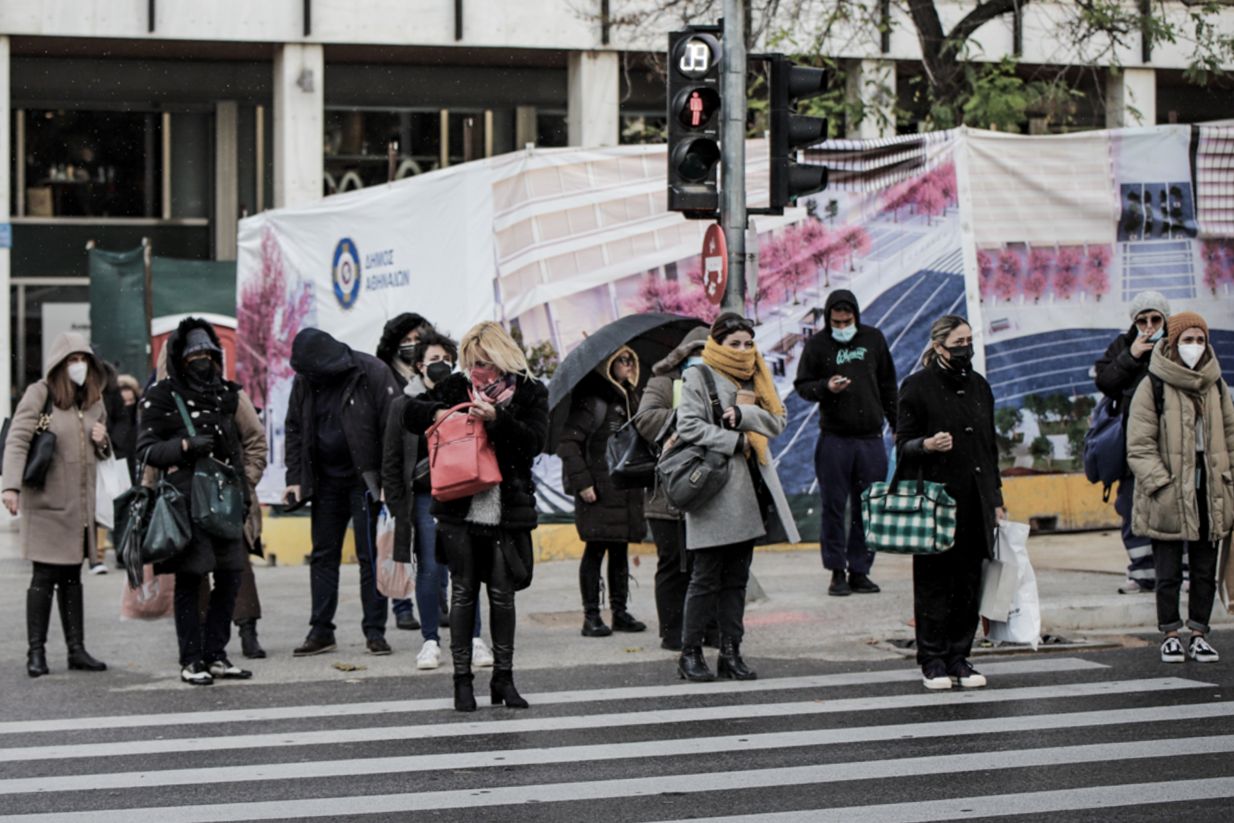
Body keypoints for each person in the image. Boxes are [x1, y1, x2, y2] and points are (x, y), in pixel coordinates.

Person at [403, 321, 548, 712]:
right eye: (472, 362)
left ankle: (504, 677)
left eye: (485, 362)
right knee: (463, 594)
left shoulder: (530, 391)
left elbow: (536, 443)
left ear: (503, 358)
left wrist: (498, 420)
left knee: (503, 596)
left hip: (506, 511)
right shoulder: (456, 387)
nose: (478, 370)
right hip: (459, 507)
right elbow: (409, 413)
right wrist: (444, 411)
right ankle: (462, 681)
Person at [675, 313, 798, 682]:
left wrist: (745, 413)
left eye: (748, 343)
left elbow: (778, 421)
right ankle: (690, 653)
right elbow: (688, 426)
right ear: (717, 343)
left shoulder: (756, 376)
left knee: (737, 579)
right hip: (713, 489)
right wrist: (736, 440)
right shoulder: (698, 375)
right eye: (735, 344)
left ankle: (731, 652)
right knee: (705, 577)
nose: (744, 350)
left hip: (749, 490)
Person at [136, 318, 254, 685]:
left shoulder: (227, 393)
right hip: (184, 502)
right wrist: (184, 447)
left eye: (207, 352)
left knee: (233, 574)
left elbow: (248, 442)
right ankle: (191, 659)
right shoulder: (161, 395)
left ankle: (217, 653)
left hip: (225, 499)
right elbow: (145, 449)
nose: (202, 359)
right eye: (194, 354)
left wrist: (246, 485)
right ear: (179, 357)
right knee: (190, 579)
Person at [896, 315, 1004, 691]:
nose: (965, 348)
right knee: (934, 581)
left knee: (969, 582)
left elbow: (990, 447)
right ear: (939, 346)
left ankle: (960, 655)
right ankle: (933, 659)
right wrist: (926, 445)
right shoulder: (917, 387)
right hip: (935, 501)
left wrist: (996, 499)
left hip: (975, 499)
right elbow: (902, 445)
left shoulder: (979, 386)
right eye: (958, 342)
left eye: (969, 340)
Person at [1126, 311, 1233, 665]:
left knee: (1205, 568)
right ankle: (1170, 633)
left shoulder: (1215, 384)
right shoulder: (1153, 384)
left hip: (1210, 486)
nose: (1194, 346)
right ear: (1172, 343)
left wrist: (1228, 479)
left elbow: (1231, 437)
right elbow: (1139, 445)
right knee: (1168, 570)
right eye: (1187, 340)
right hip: (1168, 489)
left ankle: (1199, 632)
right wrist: (1161, 483)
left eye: (1200, 339)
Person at [284, 328, 399, 657]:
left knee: (370, 557)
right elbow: (294, 429)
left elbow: (392, 428)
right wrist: (295, 477)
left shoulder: (372, 372)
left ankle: (375, 631)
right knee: (323, 555)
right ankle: (321, 631)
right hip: (325, 483)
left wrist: (389, 481)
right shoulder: (305, 380)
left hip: (365, 483)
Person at [382, 330, 492, 670]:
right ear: (419, 366)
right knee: (429, 568)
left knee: (466, 567)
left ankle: (473, 638)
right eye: (433, 360)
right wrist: (397, 506)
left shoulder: (464, 399)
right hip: (424, 497)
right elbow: (391, 459)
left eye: (446, 360)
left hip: (462, 492)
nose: (441, 366)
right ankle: (430, 640)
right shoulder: (403, 405)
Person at [3, 332, 110, 678]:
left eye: (83, 360)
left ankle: (76, 650)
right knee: (43, 577)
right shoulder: (41, 394)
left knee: (72, 578)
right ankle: (37, 652)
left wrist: (103, 440)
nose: (78, 367)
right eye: (72, 360)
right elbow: (18, 440)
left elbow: (104, 451)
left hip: (79, 507)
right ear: (60, 364)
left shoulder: (94, 401)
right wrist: (10, 487)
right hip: (47, 502)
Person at [794, 289, 898, 597]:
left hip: (870, 439)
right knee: (834, 507)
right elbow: (802, 386)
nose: (842, 327)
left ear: (856, 315)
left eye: (846, 321)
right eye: (836, 322)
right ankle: (837, 571)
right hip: (834, 440)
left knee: (868, 507)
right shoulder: (817, 345)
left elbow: (888, 384)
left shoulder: (873, 339)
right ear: (827, 318)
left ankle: (861, 570)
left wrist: (897, 425)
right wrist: (826, 386)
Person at [558, 345, 648, 638]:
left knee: (620, 549)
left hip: (624, 487)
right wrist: (583, 483)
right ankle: (592, 616)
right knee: (595, 549)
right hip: (597, 488)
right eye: (621, 360)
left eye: (630, 360)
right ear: (607, 365)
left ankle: (619, 613)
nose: (628, 365)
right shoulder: (592, 400)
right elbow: (569, 443)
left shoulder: (632, 398)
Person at [636, 325, 712, 651]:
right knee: (672, 564)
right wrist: (691, 416)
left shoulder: (721, 384)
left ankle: (708, 628)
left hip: (708, 489)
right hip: (665, 492)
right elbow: (646, 419)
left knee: (705, 565)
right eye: (694, 354)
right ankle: (672, 631)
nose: (699, 361)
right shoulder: (663, 382)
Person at [1095, 290, 1171, 594]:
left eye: (1156, 319)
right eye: (1143, 320)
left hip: (1170, 443)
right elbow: (1105, 382)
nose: (1149, 326)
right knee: (1130, 506)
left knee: (1176, 507)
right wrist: (1132, 356)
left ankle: (1182, 573)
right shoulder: (1122, 345)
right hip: (1132, 445)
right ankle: (1143, 573)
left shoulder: (1178, 343)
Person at [375, 312, 433, 630]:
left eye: (416, 340)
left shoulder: (432, 376)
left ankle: (437, 604)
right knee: (399, 539)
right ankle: (401, 605)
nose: (411, 346)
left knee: (431, 546)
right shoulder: (386, 377)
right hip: (399, 469)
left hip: (427, 472)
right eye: (405, 341)